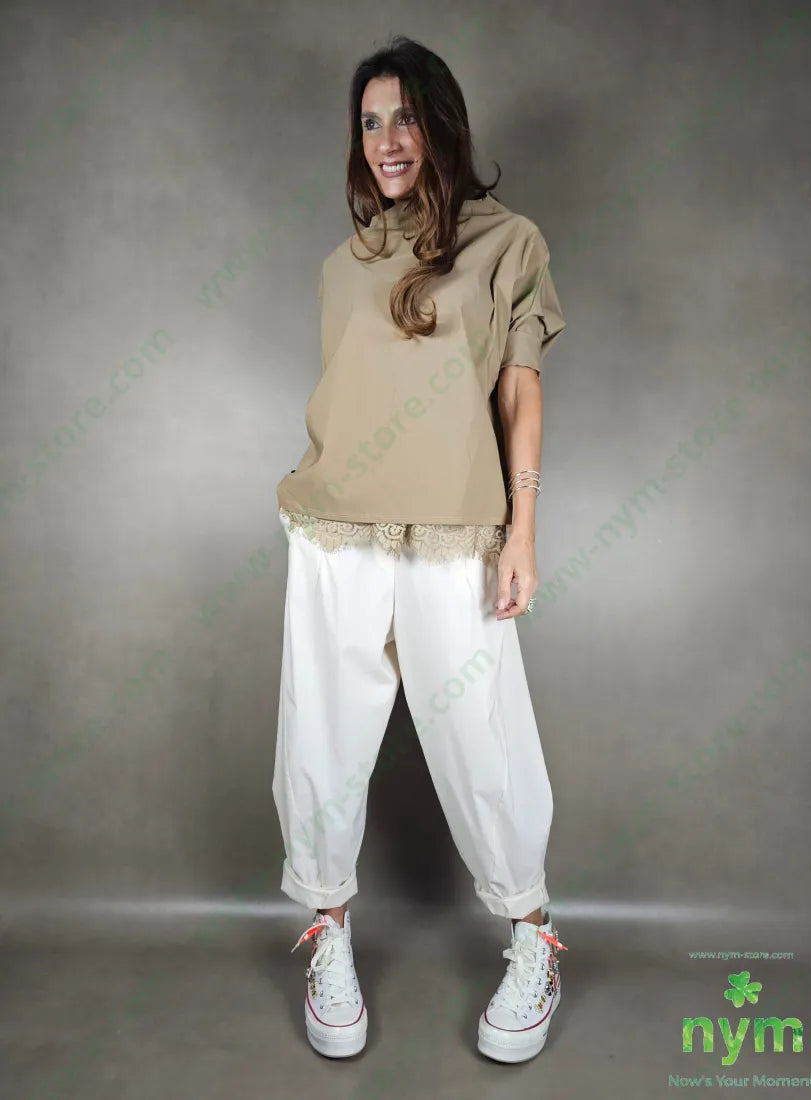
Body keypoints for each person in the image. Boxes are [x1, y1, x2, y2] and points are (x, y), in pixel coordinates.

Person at [272, 34, 568, 1065]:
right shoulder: (344, 264)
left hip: (454, 531)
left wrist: (521, 530)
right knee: (323, 735)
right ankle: (329, 932)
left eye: (403, 117)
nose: (386, 139)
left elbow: (519, 393)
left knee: (483, 734)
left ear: (439, 123)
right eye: (369, 122)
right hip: (337, 528)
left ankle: (533, 936)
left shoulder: (508, 243)